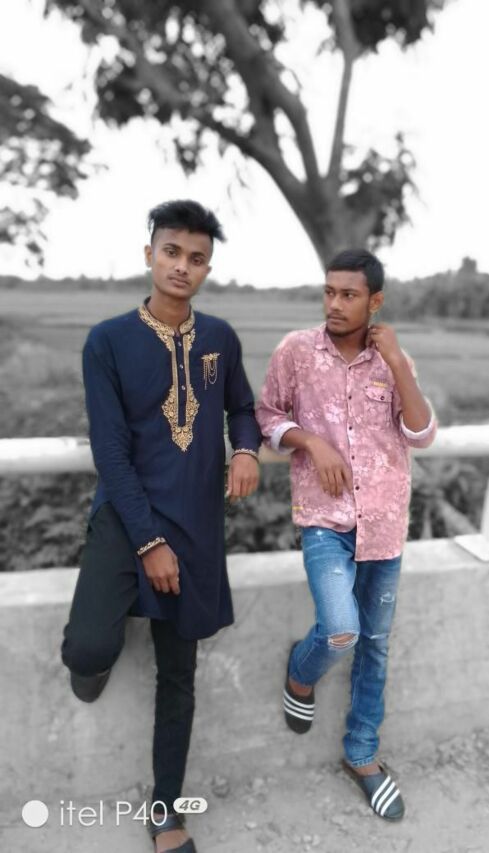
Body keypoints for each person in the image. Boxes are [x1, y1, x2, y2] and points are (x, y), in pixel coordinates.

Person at [61, 199, 260, 853]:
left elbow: (242, 408)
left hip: (196, 523)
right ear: (149, 254)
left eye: (196, 258)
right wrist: (148, 542)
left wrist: (245, 449)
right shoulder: (107, 341)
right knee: (87, 649)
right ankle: (97, 650)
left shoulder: (220, 338)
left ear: (207, 267)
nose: (182, 266)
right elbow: (110, 452)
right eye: (171, 252)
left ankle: (166, 813)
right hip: (126, 517)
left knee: (178, 676)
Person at [256, 248, 437, 822]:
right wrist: (311, 442)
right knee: (341, 631)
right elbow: (266, 416)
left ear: (374, 301)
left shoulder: (393, 361)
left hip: (384, 523)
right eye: (329, 292)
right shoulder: (296, 351)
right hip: (324, 520)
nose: (334, 304)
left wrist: (398, 363)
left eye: (349, 295)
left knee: (374, 645)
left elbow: (421, 433)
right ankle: (300, 672)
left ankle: (361, 755)